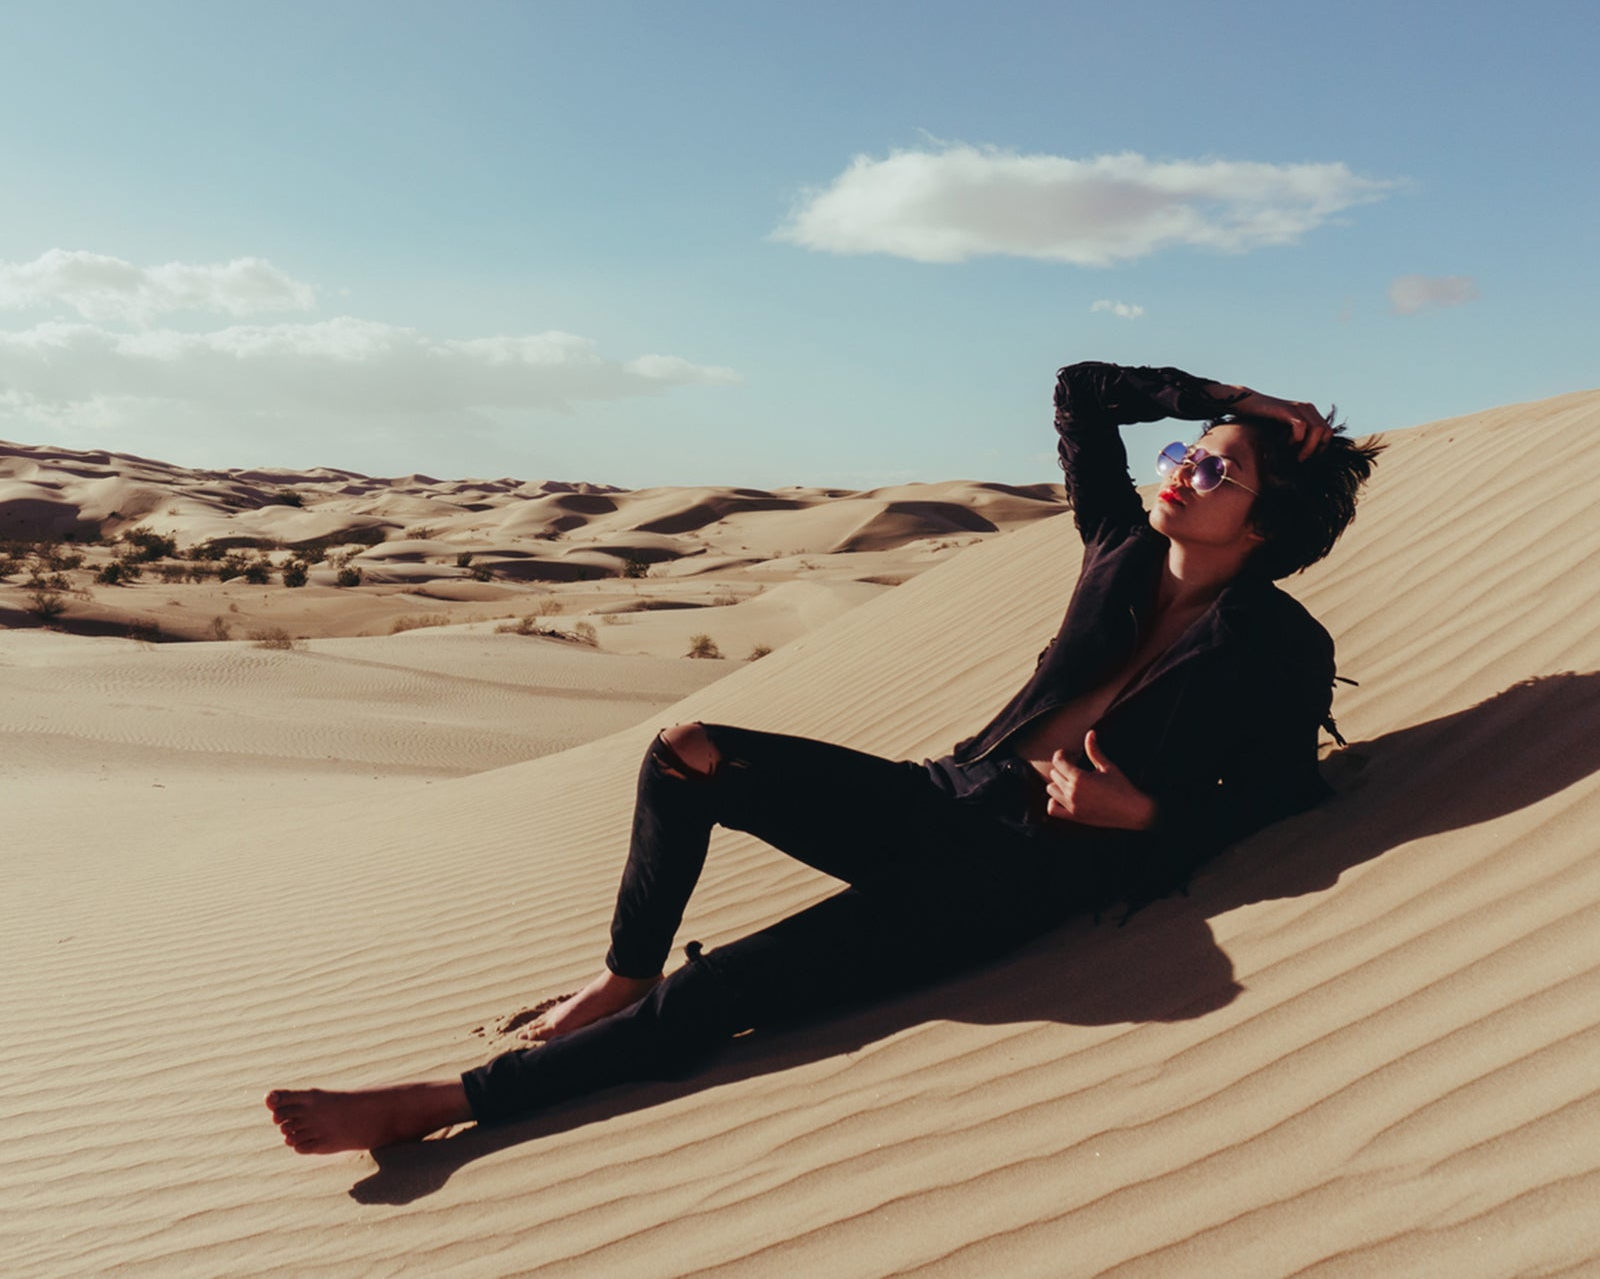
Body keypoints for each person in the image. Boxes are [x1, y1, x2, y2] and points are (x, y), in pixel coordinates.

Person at [266, 362, 1385, 1153]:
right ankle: (623, 970)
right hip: (944, 795)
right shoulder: (1117, 548)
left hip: (1017, 874)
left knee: (734, 988)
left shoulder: (1278, 644)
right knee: (685, 750)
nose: (1183, 468)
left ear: (1266, 528)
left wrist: (1142, 820)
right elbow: (1082, 390)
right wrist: (1235, 399)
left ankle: (438, 1101)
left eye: (1218, 469)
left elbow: (1287, 792)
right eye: (1189, 452)